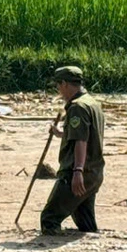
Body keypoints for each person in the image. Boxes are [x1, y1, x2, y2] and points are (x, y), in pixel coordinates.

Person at [41, 65, 105, 235]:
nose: (59, 91)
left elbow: (81, 140)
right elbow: (83, 134)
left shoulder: (77, 107)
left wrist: (77, 171)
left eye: (58, 86)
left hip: (77, 173)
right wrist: (61, 133)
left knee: (49, 218)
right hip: (94, 173)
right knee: (86, 224)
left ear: (65, 84)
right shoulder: (92, 103)